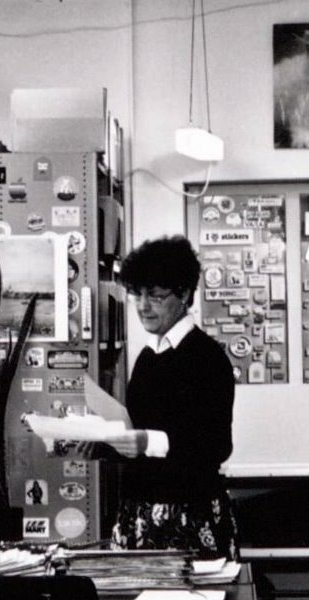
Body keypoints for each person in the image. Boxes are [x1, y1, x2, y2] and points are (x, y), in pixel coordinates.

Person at [98, 234, 240, 556]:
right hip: (139, 513)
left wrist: (147, 441)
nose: (143, 306)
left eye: (156, 296)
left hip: (189, 516)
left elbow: (217, 445)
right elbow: (142, 437)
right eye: (137, 294)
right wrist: (102, 445)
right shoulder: (147, 358)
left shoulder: (207, 358)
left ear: (184, 294)